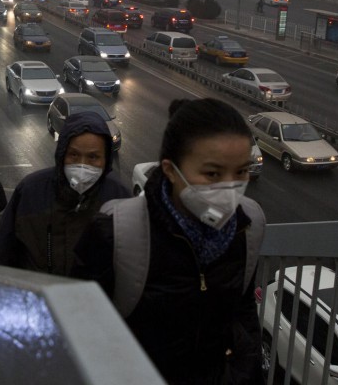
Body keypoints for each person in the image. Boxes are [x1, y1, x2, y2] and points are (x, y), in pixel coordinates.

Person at [73, 98, 266, 384]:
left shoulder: (247, 227)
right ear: (171, 170)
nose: (229, 189)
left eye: (240, 172)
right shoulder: (116, 233)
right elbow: (80, 336)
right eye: (212, 173)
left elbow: (243, 313)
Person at [0, 112, 129, 276]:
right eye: (74, 155)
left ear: (106, 159)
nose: (82, 165)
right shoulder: (30, 191)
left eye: (93, 157)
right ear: (62, 154)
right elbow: (2, 256)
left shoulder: (119, 197)